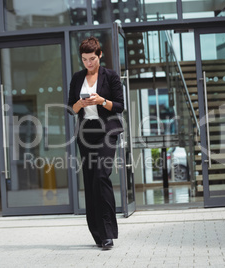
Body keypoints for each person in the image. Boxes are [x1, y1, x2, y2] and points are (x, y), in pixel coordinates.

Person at [67, 36, 124, 250]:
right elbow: (69, 108)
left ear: (99, 55)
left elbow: (120, 106)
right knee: (91, 182)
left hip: (107, 130)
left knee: (101, 175)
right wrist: (80, 104)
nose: (88, 63)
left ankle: (108, 232)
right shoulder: (77, 77)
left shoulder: (110, 76)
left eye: (92, 58)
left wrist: (102, 101)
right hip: (86, 133)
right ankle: (98, 235)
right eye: (84, 59)